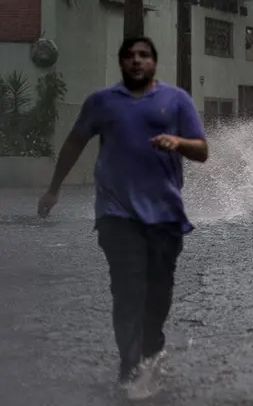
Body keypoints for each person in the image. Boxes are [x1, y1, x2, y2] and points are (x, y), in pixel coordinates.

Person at [37, 37, 208, 399]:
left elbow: (202, 150)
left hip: (165, 217)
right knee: (127, 291)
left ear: (154, 63)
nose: (136, 61)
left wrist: (177, 143)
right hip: (116, 215)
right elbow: (73, 143)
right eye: (129, 56)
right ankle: (130, 369)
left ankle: (151, 350)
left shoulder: (176, 100)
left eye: (143, 56)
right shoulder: (102, 102)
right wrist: (54, 188)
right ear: (121, 63)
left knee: (157, 295)